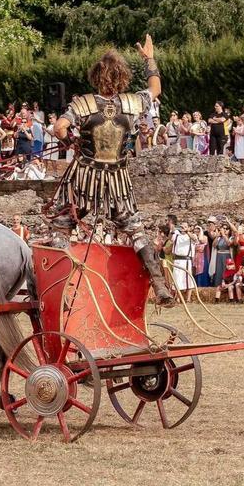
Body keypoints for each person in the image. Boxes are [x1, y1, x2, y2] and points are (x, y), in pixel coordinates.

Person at [50, 35, 173, 305]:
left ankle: (63, 291)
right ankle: (160, 285)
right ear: (123, 77)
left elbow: (58, 127)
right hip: (117, 178)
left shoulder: (82, 104)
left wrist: (72, 143)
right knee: (135, 231)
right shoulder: (133, 102)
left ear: (95, 77)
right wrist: (149, 59)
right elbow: (156, 88)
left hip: (84, 177)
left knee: (61, 227)